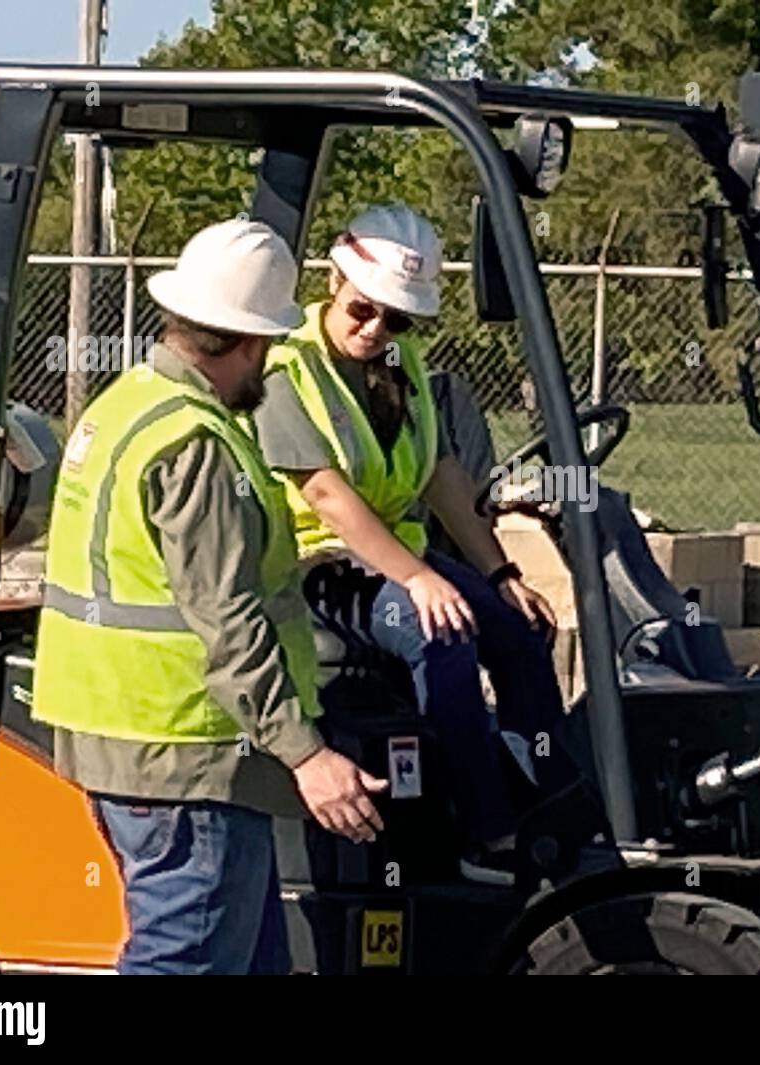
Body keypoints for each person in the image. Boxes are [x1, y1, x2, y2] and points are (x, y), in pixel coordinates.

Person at [31, 219, 387, 974]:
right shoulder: (196, 445)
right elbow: (230, 621)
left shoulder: (128, 402)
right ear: (251, 340)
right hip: (186, 754)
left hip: (133, 743)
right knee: (185, 961)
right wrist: (308, 753)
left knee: (247, 961)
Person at [250, 204, 576, 884]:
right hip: (319, 567)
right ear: (334, 278)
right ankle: (482, 831)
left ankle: (554, 798)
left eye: (396, 320)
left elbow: (440, 473)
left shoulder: (405, 365)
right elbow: (325, 496)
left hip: (392, 558)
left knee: (516, 629)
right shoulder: (289, 366)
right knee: (439, 633)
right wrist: (421, 580)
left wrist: (499, 570)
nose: (374, 330)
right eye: (363, 310)